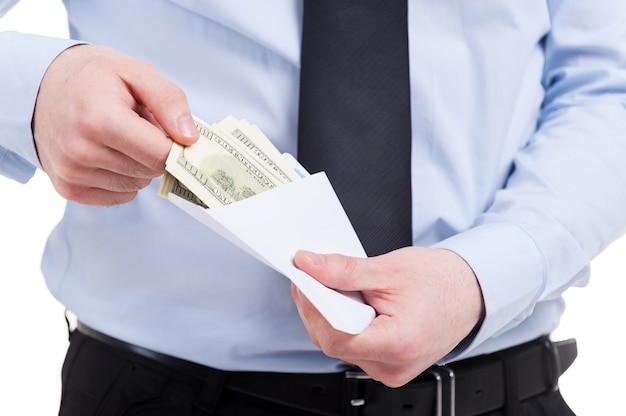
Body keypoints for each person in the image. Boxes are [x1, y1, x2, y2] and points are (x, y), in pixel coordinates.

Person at [2, 0, 626, 415]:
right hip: (158, 393)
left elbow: (608, 83)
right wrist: (35, 92)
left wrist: (485, 276)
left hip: (498, 388)